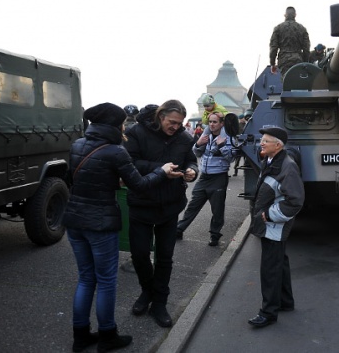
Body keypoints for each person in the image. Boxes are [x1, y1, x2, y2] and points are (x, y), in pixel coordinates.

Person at [63, 102, 177, 352]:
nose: (125, 125)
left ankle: (80, 335)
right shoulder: (116, 151)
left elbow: (78, 178)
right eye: (122, 122)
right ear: (115, 125)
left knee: (85, 279)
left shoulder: (77, 145)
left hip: (74, 221)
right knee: (105, 281)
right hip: (100, 223)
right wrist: (162, 170)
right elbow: (140, 185)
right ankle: (107, 336)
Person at [123, 100, 198, 328]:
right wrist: (161, 169)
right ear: (160, 116)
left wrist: (192, 171)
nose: (175, 127)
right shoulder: (136, 132)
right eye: (171, 122)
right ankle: (147, 292)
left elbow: (190, 160)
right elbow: (130, 162)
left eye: (179, 123)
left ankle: (160, 302)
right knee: (139, 255)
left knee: (165, 258)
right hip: (141, 204)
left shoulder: (185, 138)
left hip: (170, 206)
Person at [247, 126, 304, 328]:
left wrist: (269, 215)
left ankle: (268, 312)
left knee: (270, 268)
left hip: (274, 224)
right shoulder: (271, 160)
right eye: (262, 139)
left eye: (266, 141)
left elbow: (295, 201)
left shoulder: (287, 167)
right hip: (269, 223)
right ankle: (285, 301)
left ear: (277, 145)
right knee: (280, 261)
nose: (261, 143)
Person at [176, 112, 235, 245]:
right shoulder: (205, 135)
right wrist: (197, 144)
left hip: (219, 177)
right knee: (193, 205)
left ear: (221, 123)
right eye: (210, 122)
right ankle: (179, 229)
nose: (212, 125)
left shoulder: (228, 138)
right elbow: (196, 153)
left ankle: (215, 235)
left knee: (217, 209)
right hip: (204, 177)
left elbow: (231, 158)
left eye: (215, 122)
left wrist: (221, 146)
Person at [269, 6, 310, 78]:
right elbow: (306, 48)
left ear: (285, 15)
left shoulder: (278, 28)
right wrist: (305, 62)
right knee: (297, 83)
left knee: (286, 83)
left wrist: (272, 64)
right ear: (295, 15)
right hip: (298, 60)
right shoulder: (302, 29)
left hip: (284, 61)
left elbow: (273, 48)